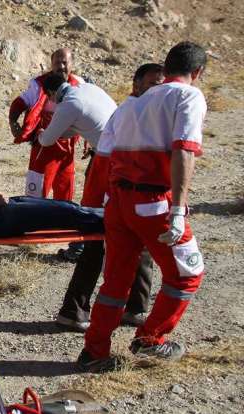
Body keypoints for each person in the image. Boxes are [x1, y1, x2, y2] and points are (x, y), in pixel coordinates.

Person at [79, 42, 207, 372]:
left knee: (116, 279)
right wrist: (177, 210)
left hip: (118, 203)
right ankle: (151, 339)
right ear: (197, 73)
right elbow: (184, 151)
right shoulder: (188, 97)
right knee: (186, 275)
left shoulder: (129, 106)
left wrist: (97, 207)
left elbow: (102, 161)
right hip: (153, 203)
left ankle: (94, 349)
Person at [56, 64, 164, 332]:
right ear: (136, 85)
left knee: (139, 246)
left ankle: (135, 308)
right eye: (152, 84)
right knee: (96, 246)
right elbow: (107, 162)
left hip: (127, 189)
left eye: (162, 84)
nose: (158, 90)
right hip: (111, 187)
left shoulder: (149, 113)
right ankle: (75, 310)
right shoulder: (132, 114)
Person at [9, 48, 83, 200]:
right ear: (51, 64)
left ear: (72, 64)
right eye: (57, 63)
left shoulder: (79, 84)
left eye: (65, 62)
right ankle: (35, 224)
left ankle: (62, 224)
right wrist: (13, 121)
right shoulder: (39, 85)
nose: (61, 66)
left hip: (67, 149)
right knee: (36, 195)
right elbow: (19, 102)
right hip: (44, 147)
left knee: (65, 194)